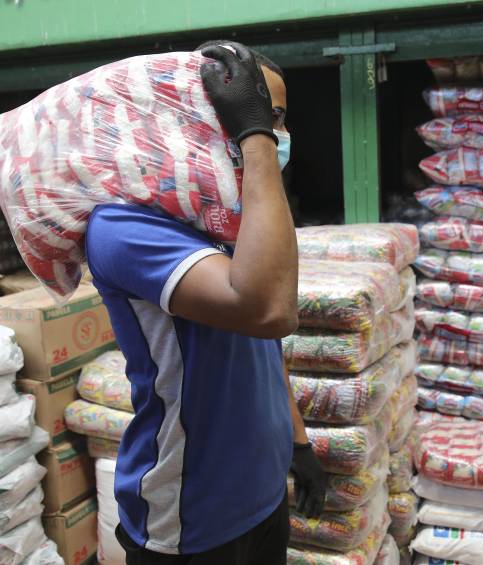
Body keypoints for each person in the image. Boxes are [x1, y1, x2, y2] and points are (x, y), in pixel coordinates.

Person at [84, 41, 326, 564]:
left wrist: (298, 442)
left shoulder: (233, 216)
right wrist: (256, 138)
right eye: (256, 115)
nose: (274, 134)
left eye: (278, 119)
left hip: (262, 498)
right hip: (191, 520)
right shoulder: (125, 226)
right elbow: (268, 309)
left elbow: (266, 344)